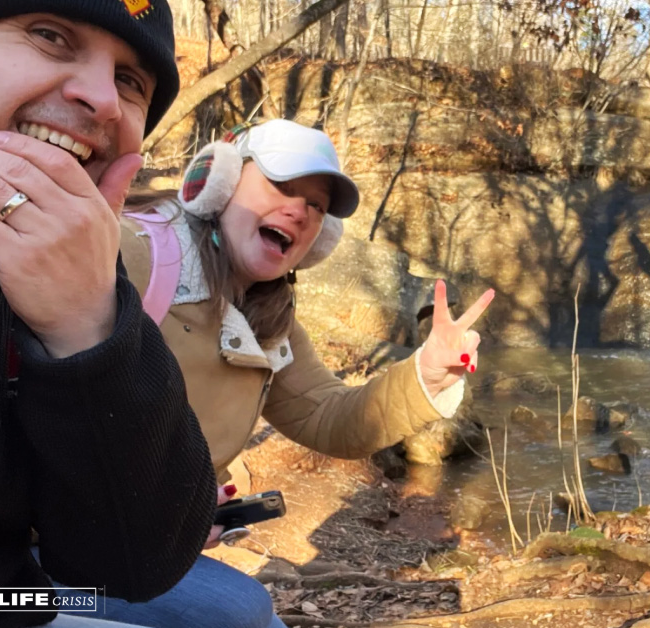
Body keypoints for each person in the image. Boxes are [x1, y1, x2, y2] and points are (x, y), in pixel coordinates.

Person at [42, 118, 494, 627]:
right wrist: (154, 504)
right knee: (245, 613)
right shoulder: (128, 254)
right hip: (6, 569)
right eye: (282, 186)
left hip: (127, 549)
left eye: (318, 206)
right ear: (219, 183)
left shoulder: (270, 317)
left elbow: (328, 417)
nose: (302, 210)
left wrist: (428, 374)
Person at [0, 1, 219, 627]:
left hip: (12, 598)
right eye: (49, 36)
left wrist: (86, 323)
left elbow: (133, 566)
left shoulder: (69, 236)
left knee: (240, 615)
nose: (102, 99)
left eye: (131, 81)